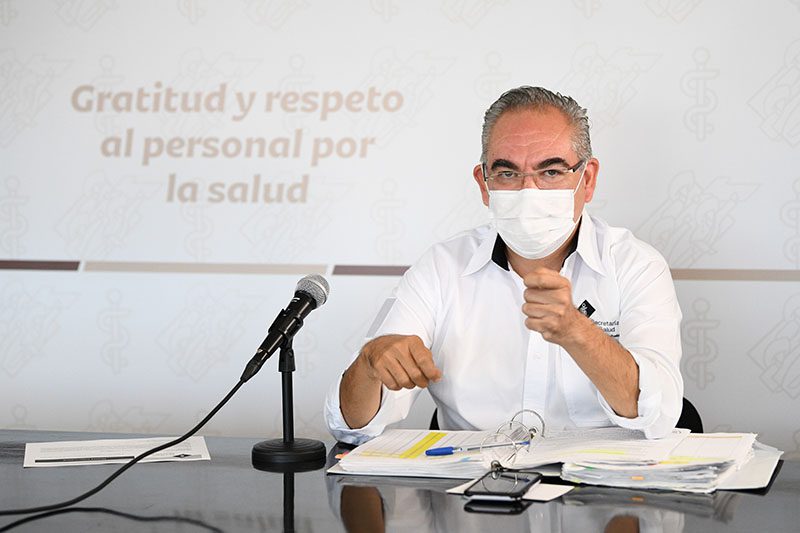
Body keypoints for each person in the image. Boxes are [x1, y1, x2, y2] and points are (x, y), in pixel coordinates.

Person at [324, 86, 683, 444]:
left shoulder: (636, 265)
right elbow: (350, 425)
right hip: (473, 475)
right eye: (508, 174)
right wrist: (369, 363)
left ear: (586, 180)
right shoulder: (441, 268)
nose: (529, 191)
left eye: (551, 172)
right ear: (484, 184)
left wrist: (578, 332)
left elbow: (659, 415)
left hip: (598, 476)